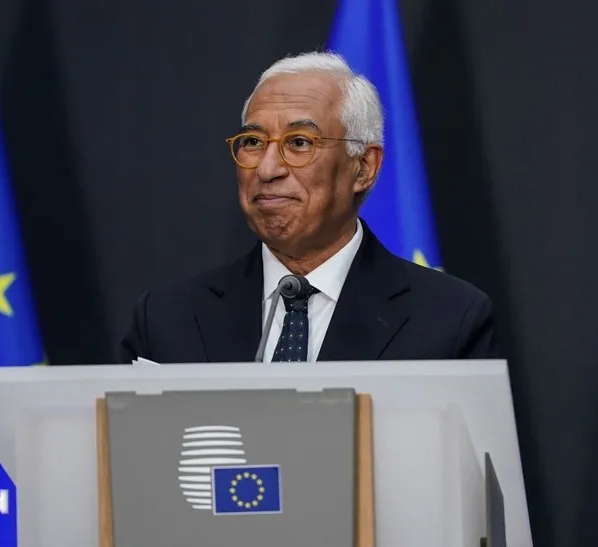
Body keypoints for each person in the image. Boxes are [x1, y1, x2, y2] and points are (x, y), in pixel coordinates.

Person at [116, 51, 500, 364]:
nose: (267, 169)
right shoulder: (167, 320)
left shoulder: (450, 319)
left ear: (364, 167)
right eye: (253, 142)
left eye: (299, 143)